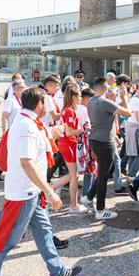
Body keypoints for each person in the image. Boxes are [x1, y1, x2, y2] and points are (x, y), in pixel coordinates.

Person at [0, 87, 81, 276]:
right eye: (46, 102)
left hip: (30, 192)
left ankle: (57, 271)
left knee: (44, 232)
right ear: (39, 104)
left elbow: (38, 141)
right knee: (6, 242)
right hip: (24, 194)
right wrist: (50, 191)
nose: (48, 105)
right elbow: (26, 162)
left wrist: (56, 130)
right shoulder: (28, 126)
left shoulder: (27, 122)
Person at [87, 76, 131, 220]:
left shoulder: (91, 101)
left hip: (95, 139)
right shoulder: (105, 102)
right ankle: (100, 210)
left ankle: (88, 197)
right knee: (103, 176)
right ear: (105, 88)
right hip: (105, 142)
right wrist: (124, 97)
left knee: (102, 173)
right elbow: (127, 113)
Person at [53, 82, 90, 213]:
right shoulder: (69, 111)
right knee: (74, 176)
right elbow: (69, 132)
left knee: (74, 175)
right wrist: (82, 129)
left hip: (68, 143)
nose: (80, 98)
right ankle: (73, 205)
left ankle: (52, 188)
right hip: (68, 144)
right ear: (73, 96)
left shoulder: (68, 110)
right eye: (79, 96)